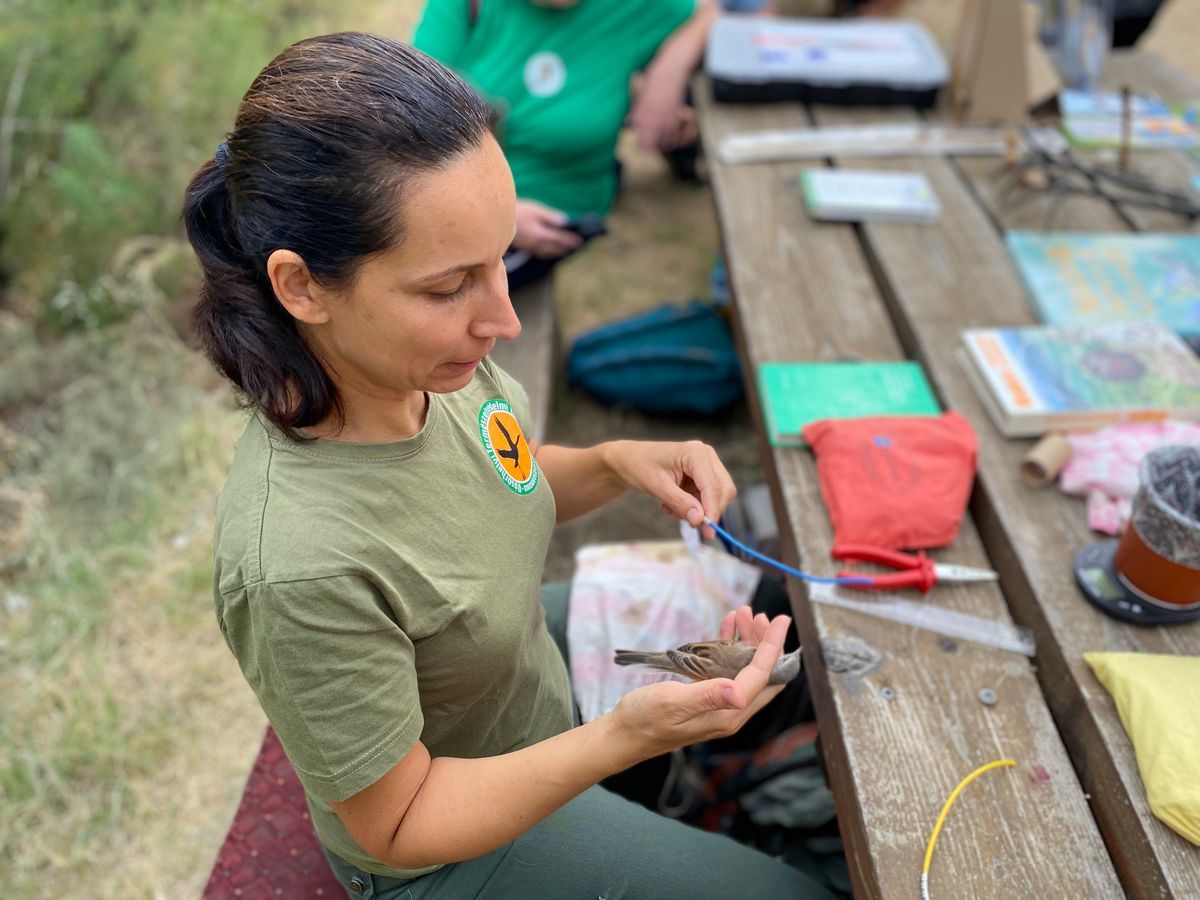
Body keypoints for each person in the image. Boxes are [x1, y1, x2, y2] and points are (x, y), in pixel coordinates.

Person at [182, 32, 832, 900]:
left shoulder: (424, 365)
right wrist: (625, 737)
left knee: (762, 608)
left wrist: (614, 461)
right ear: (301, 287)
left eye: (501, 262)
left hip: (512, 691)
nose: (503, 318)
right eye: (450, 286)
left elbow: (502, 477)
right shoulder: (298, 565)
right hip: (439, 842)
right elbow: (399, 823)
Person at [412, 0, 721, 288]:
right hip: (453, 202)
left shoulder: (631, 7)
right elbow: (411, 120)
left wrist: (670, 71)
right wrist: (498, 216)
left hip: (550, 212)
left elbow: (709, 12)